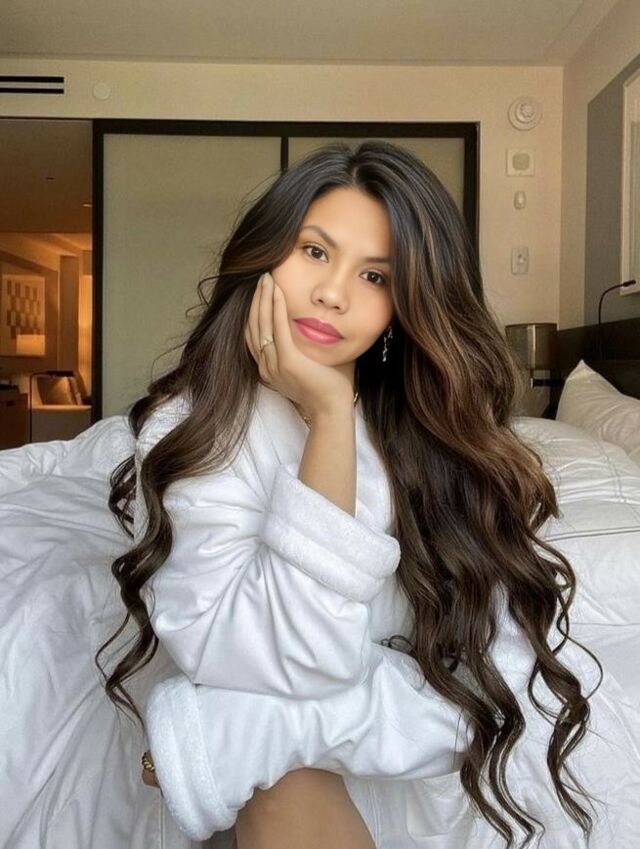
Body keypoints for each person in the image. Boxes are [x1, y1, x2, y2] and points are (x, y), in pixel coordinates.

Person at [97, 140, 640, 849]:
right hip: (320, 771)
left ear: (403, 305)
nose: (333, 293)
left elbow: (490, 686)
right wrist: (327, 417)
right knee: (280, 778)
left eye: (375, 275)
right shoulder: (192, 429)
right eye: (314, 251)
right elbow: (267, 657)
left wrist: (245, 730)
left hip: (433, 763)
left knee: (269, 756)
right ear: (266, 258)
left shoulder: (435, 431)